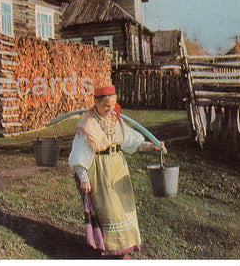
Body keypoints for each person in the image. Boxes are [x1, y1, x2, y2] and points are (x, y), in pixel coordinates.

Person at [68, 85, 167, 259]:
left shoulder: (115, 120)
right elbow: (79, 152)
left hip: (118, 167)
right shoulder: (88, 124)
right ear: (96, 103)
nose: (110, 109)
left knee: (123, 208)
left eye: (112, 105)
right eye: (106, 105)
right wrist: (83, 176)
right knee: (109, 210)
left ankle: (124, 248)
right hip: (100, 170)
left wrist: (151, 146)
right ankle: (110, 248)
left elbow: (129, 141)